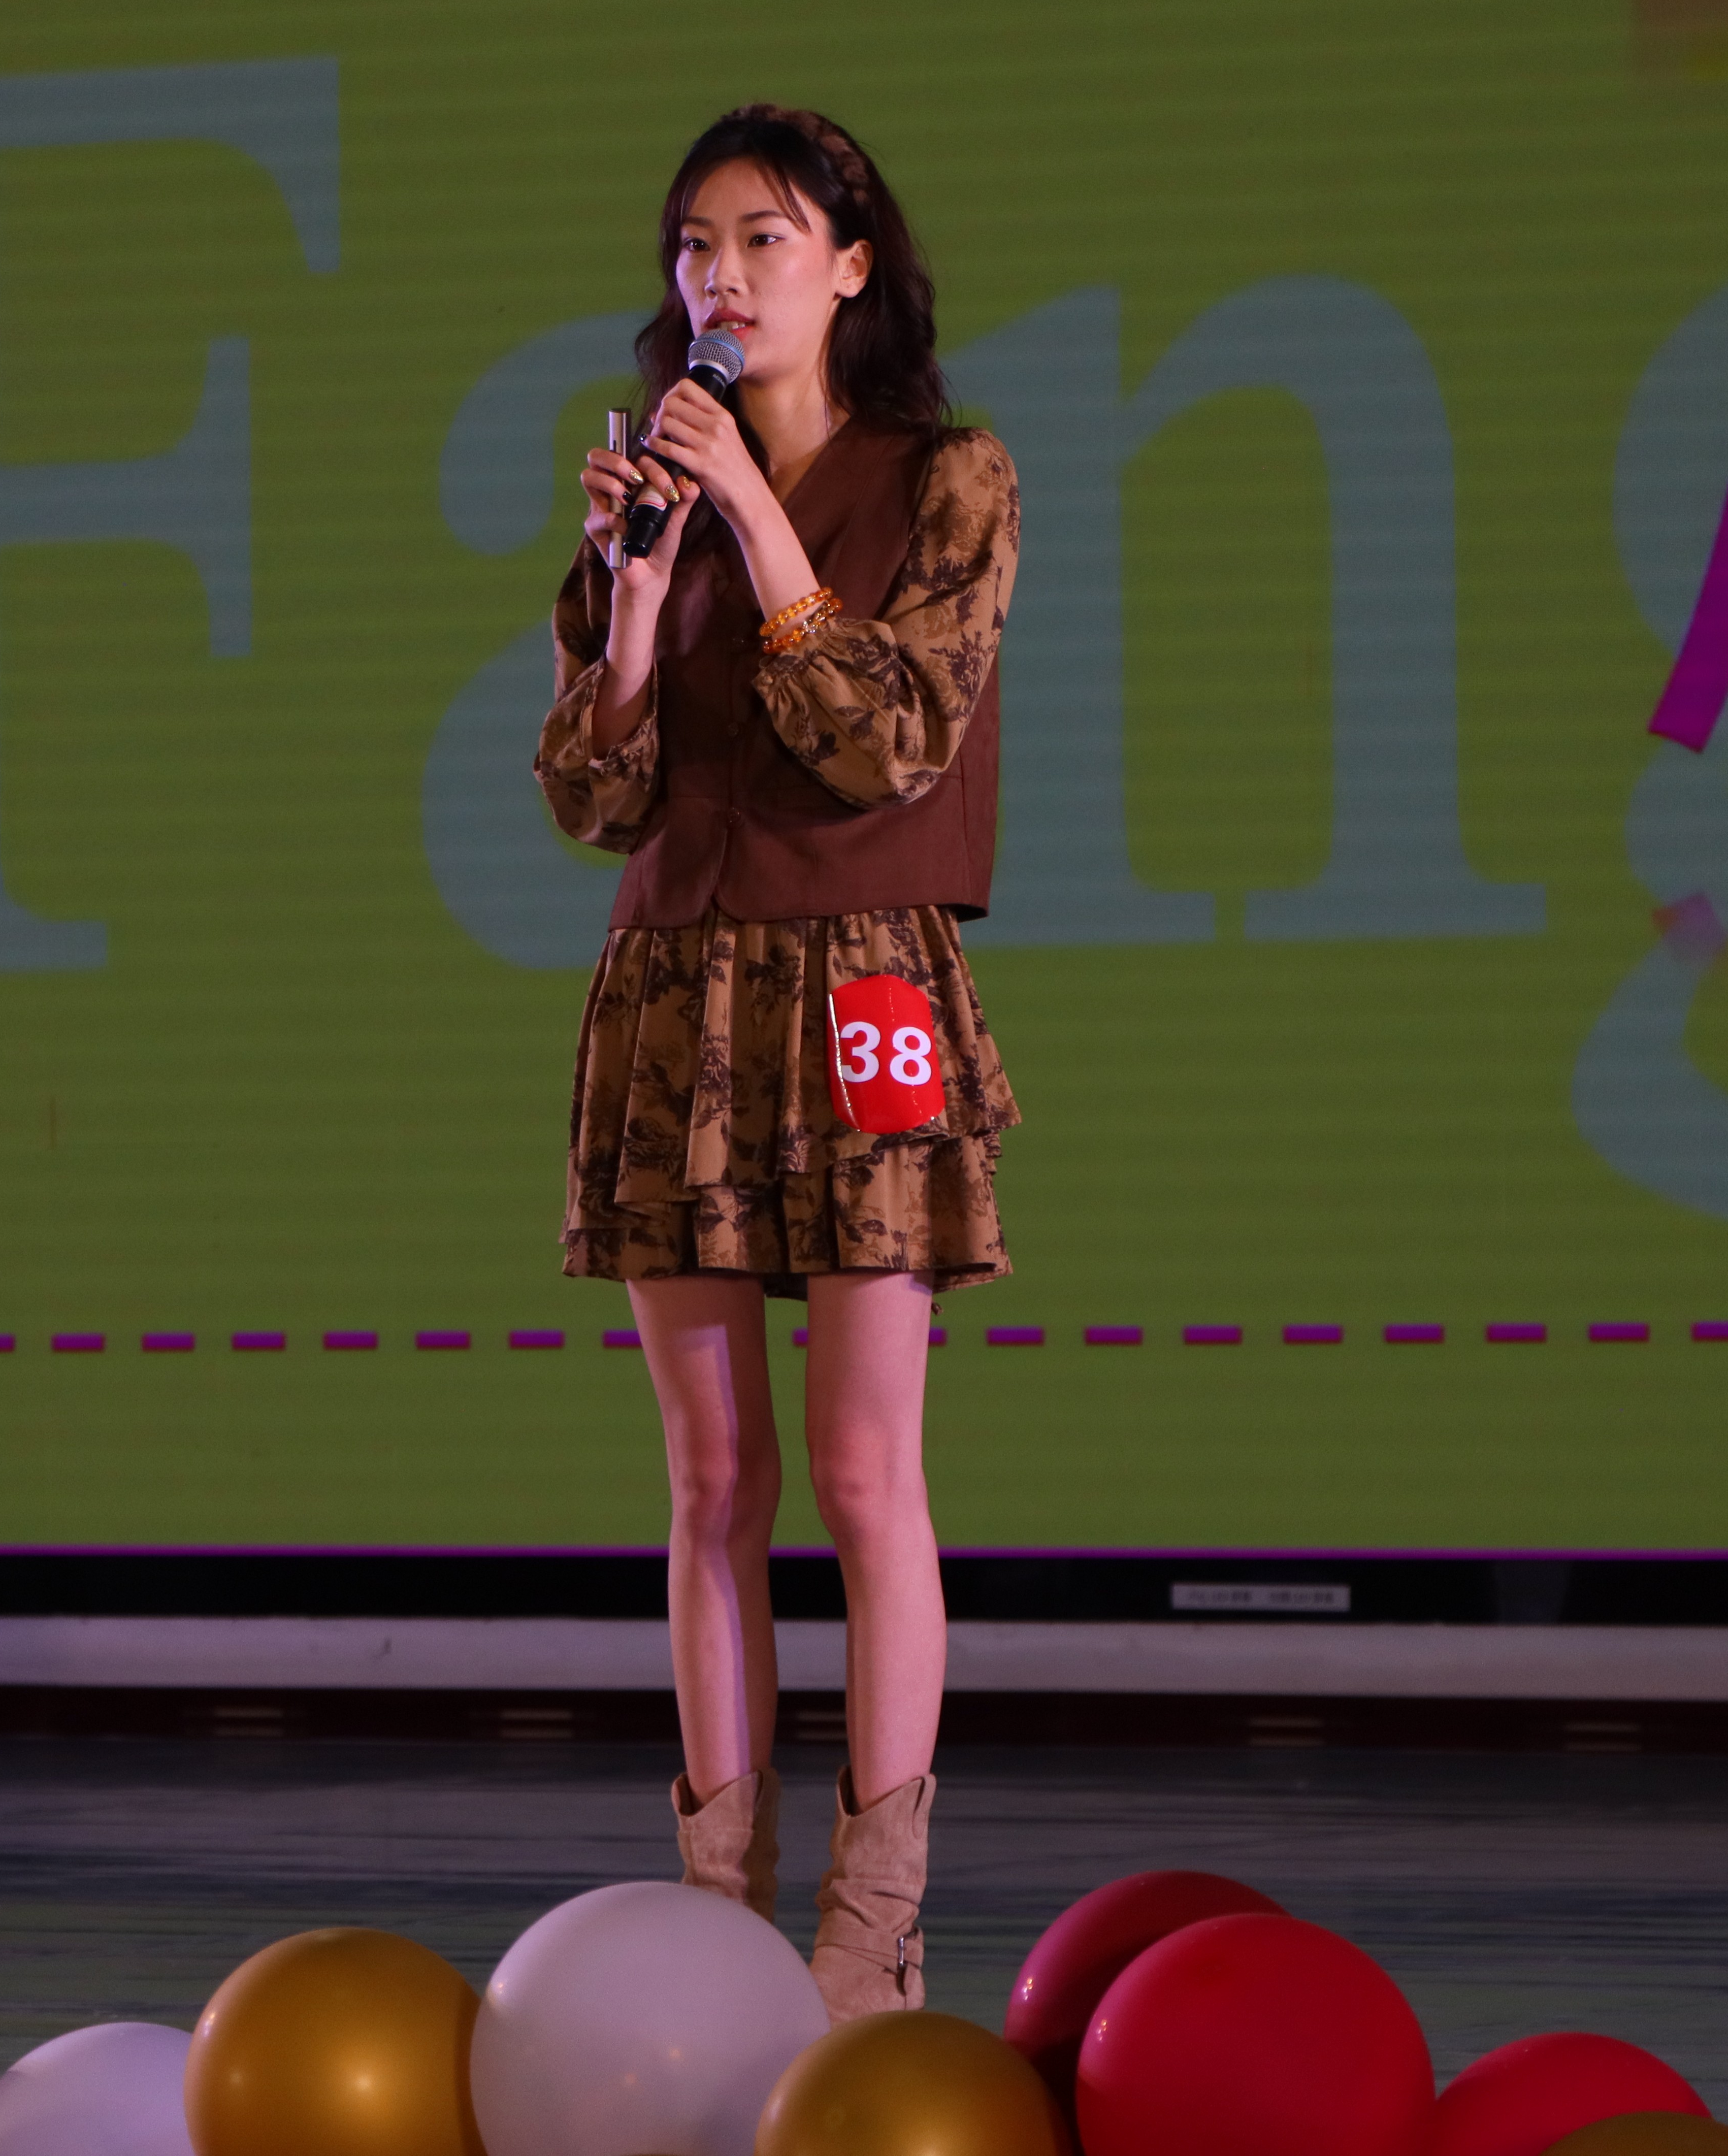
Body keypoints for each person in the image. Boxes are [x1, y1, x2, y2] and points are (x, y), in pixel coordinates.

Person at [533, 104, 1021, 2022]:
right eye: (694, 244)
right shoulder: (653, 495)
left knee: (863, 1471)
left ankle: (869, 1931)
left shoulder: (948, 477)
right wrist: (635, 597)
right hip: (679, 992)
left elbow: (890, 740)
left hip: (866, 986)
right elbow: (591, 796)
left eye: (761, 239)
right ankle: (714, 1919)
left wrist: (749, 509)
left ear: (851, 266)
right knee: (711, 1475)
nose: (718, 277)